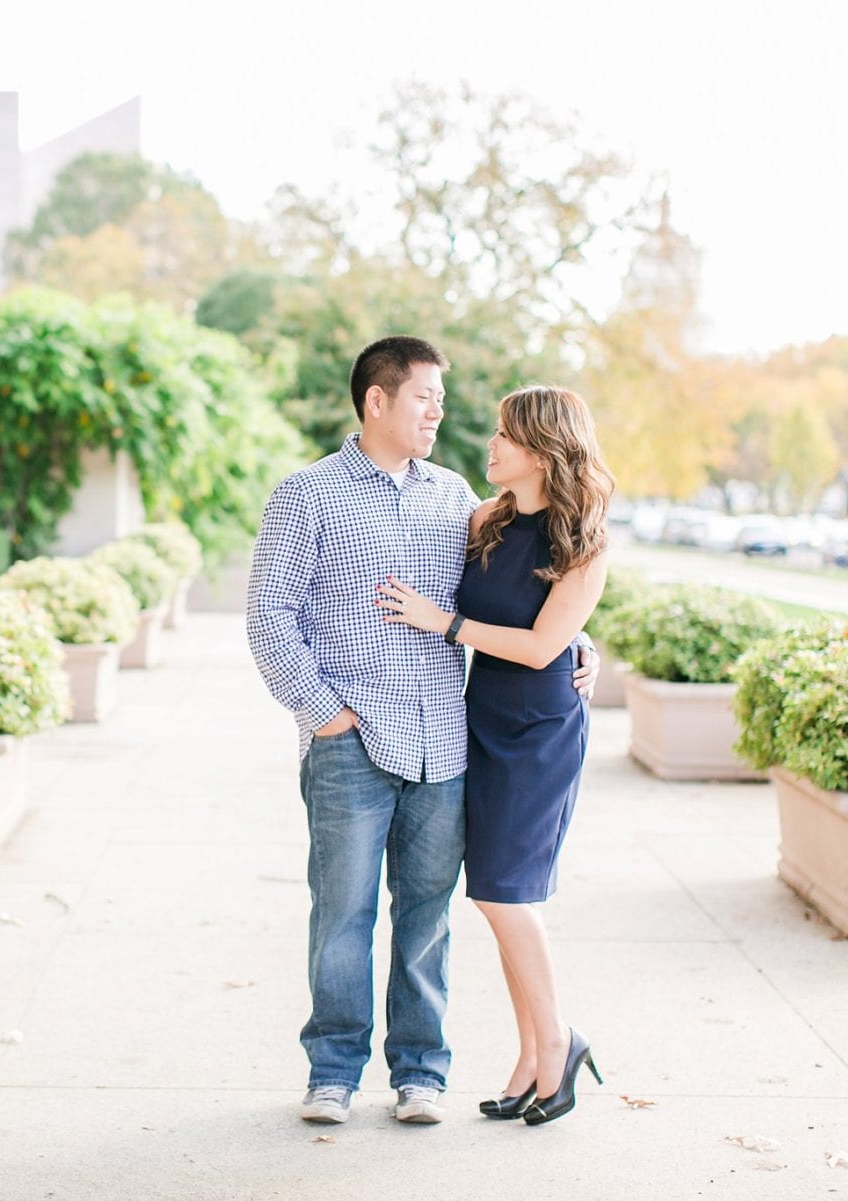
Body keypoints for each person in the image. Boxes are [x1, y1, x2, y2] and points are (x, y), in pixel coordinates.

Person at [245, 338, 597, 1126]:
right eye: (424, 398)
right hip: (351, 740)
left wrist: (578, 643)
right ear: (377, 400)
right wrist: (325, 715)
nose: (440, 411)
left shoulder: (458, 498)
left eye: (442, 398)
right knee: (341, 916)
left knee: (427, 918)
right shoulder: (305, 496)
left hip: (446, 742)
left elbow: (522, 596)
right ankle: (333, 1071)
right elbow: (269, 620)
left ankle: (421, 1073)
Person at [376, 384, 614, 1125]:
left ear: (543, 450)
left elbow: (545, 645)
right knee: (494, 893)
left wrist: (442, 624)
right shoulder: (483, 519)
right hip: (477, 719)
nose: (491, 444)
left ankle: (558, 1040)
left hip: (539, 732)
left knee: (504, 893)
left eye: (506, 435)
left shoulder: (584, 542)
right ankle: (531, 1056)